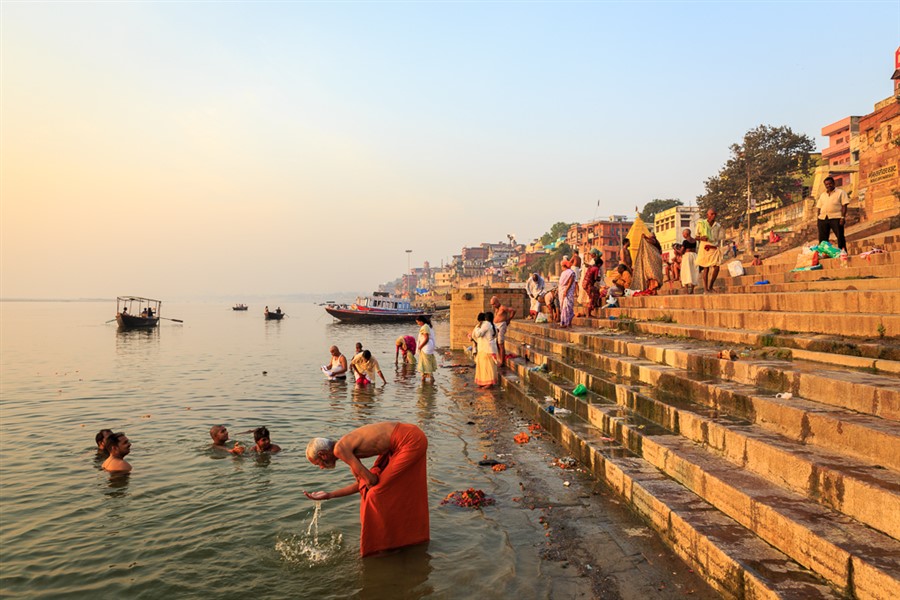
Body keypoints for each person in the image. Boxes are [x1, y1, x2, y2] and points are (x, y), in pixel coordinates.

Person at [304, 422, 429, 557]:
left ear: (322, 454)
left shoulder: (340, 450)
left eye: (318, 464)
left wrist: (370, 477)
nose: (321, 467)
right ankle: (399, 539)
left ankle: (385, 545)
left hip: (410, 440)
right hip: (407, 436)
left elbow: (371, 481)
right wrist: (329, 495)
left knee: (375, 495)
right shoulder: (344, 446)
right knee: (371, 492)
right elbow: (362, 484)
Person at [816, 176, 850, 251]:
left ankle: (842, 252)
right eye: (826, 184)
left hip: (836, 217)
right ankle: (824, 253)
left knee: (840, 236)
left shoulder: (841, 192)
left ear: (834, 183)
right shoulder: (823, 195)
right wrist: (818, 219)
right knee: (822, 239)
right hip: (823, 218)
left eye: (830, 183)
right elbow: (819, 207)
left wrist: (843, 217)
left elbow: (844, 205)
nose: (828, 185)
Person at [696, 208, 724, 293]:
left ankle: (711, 286)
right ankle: (706, 289)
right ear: (707, 215)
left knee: (717, 267)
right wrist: (701, 238)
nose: (713, 216)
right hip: (704, 246)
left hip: (714, 247)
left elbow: (720, 237)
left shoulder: (718, 226)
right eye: (711, 214)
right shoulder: (701, 223)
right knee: (706, 268)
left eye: (715, 214)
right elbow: (696, 237)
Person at [471, 313, 498, 387]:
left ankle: (488, 383)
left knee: (486, 367)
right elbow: (496, 335)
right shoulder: (493, 325)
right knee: (489, 367)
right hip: (491, 349)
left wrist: (477, 327)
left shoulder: (486, 324)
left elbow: (478, 334)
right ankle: (486, 383)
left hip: (485, 349)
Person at [489, 296, 516, 365]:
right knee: (496, 343)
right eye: (492, 304)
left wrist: (509, 319)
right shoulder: (496, 309)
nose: (493, 305)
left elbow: (513, 310)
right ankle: (500, 358)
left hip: (501, 325)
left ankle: (502, 362)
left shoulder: (503, 308)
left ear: (497, 302)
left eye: (494, 304)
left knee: (500, 343)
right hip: (496, 326)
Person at [581, 250, 602, 318]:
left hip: (584, 283)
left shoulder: (591, 267)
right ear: (599, 264)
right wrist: (599, 278)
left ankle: (594, 306)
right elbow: (595, 278)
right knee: (592, 297)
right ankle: (589, 313)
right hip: (588, 284)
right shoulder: (596, 268)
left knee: (595, 293)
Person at [415, 316, 437, 383]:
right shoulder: (427, 326)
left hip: (426, 348)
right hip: (428, 347)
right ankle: (423, 379)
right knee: (425, 363)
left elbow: (426, 339)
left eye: (418, 322)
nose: (417, 324)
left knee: (426, 364)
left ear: (421, 321)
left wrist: (420, 347)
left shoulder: (425, 327)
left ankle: (431, 379)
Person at [557, 259, 577, 328]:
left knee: (567, 307)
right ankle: (564, 322)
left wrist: (566, 290)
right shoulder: (563, 273)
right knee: (563, 307)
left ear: (564, 266)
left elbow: (570, 282)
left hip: (567, 292)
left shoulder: (571, 273)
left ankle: (567, 323)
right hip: (562, 291)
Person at [680, 228, 700, 294]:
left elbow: (681, 251)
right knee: (694, 272)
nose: (683, 235)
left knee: (685, 272)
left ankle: (686, 290)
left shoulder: (685, 241)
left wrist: (676, 249)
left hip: (687, 256)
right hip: (694, 256)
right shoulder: (694, 241)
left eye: (683, 234)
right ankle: (692, 290)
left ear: (686, 234)